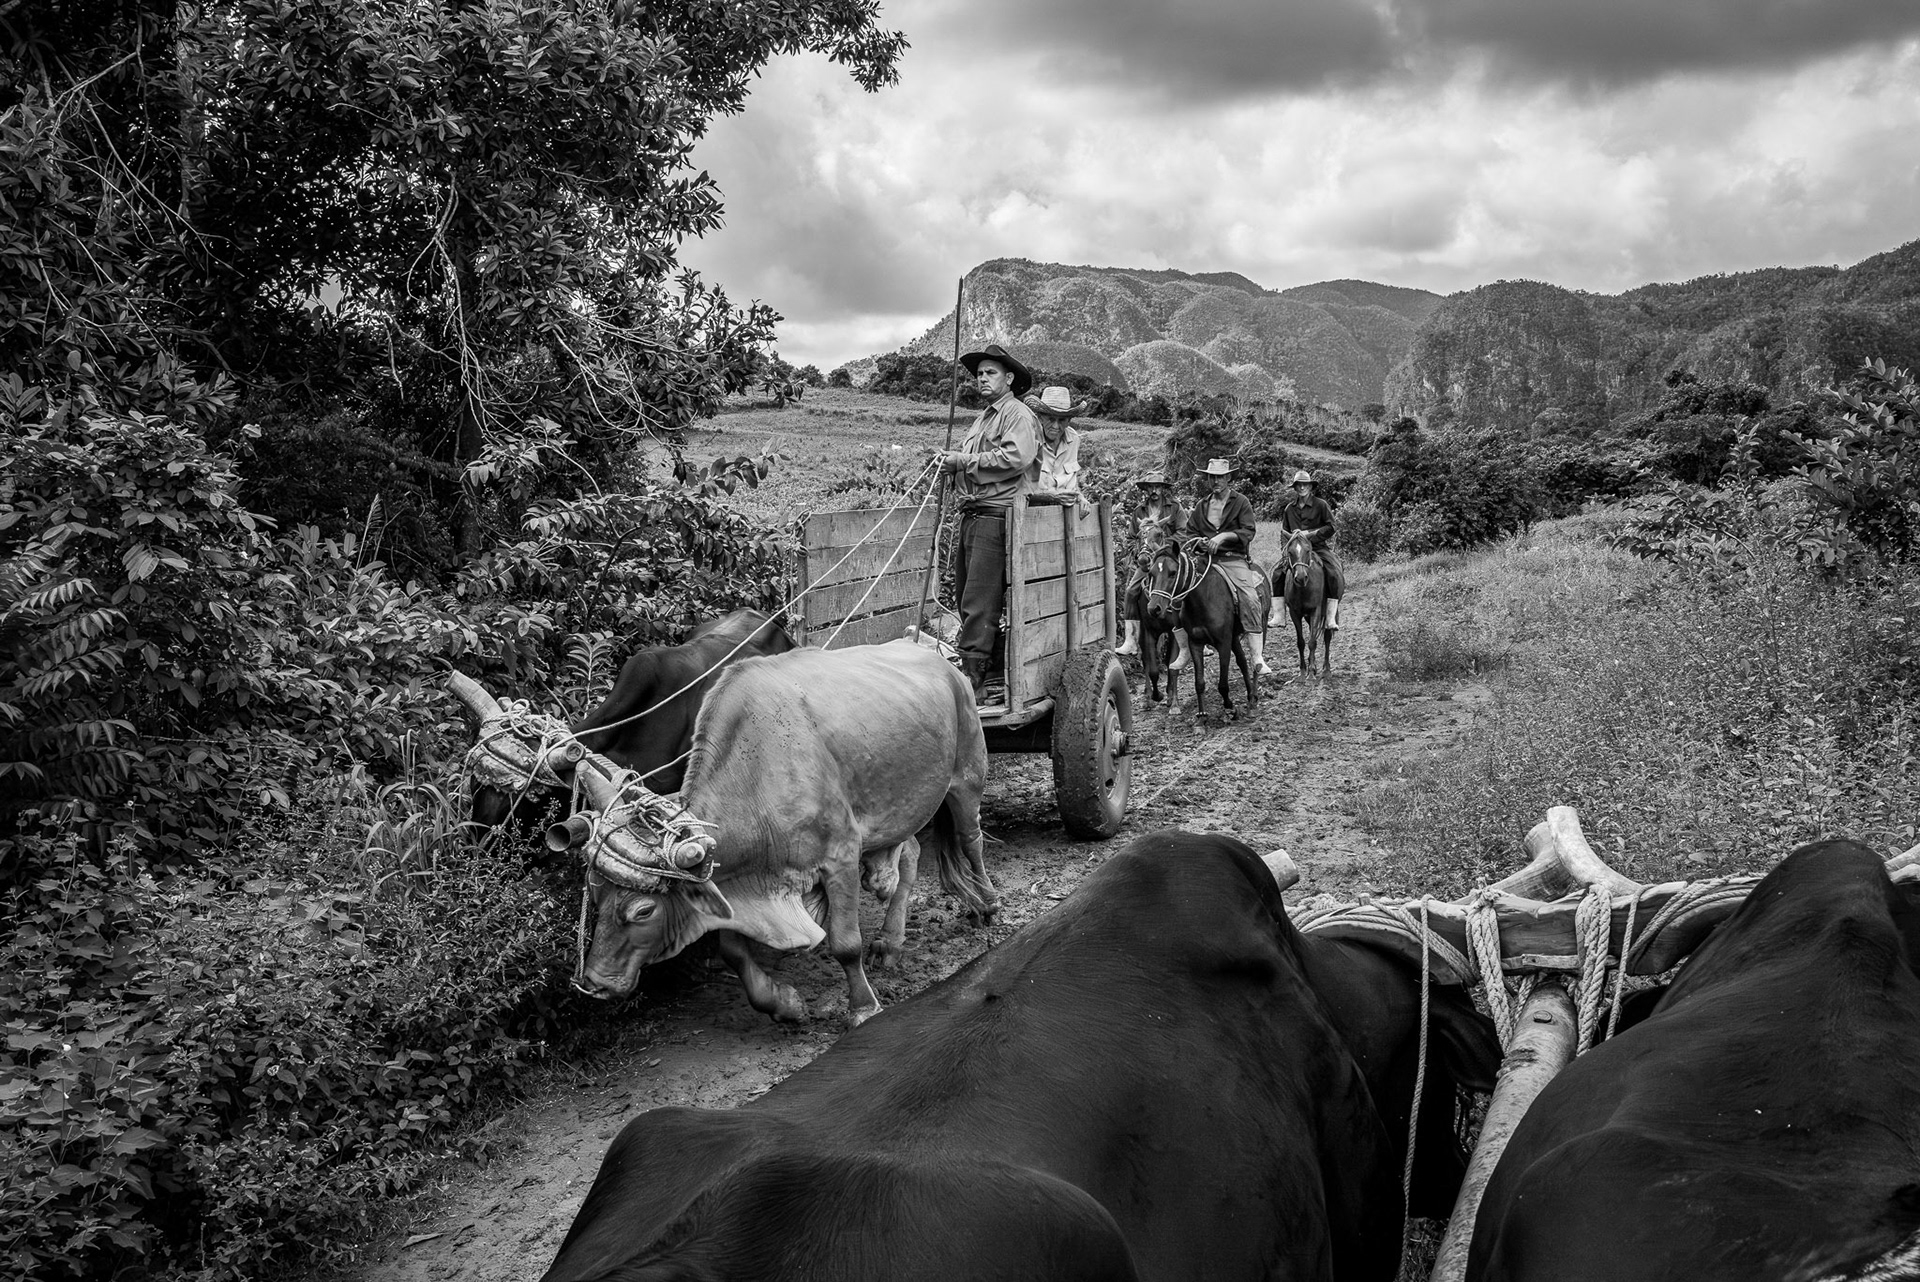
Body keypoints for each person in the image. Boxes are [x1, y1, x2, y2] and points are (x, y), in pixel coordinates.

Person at [935, 343, 1040, 698]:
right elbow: (972, 460)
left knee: (979, 598)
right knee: (967, 593)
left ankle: (976, 680)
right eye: (979, 374)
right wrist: (952, 464)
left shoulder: (1017, 414)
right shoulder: (984, 418)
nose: (982, 378)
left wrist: (963, 462)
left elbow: (1017, 457)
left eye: (990, 372)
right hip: (973, 513)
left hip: (997, 514)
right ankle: (984, 667)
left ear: (1008, 378)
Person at [1183, 457, 1271, 677]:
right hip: (1205, 561)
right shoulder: (1202, 505)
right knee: (1179, 592)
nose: (1216, 481)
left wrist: (1223, 537)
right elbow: (1190, 532)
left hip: (1233, 559)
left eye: (1220, 477)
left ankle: (1257, 657)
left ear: (1229, 477)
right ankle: (1185, 647)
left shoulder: (1241, 502)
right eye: (1212, 477)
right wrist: (1200, 542)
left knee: (1250, 597)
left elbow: (1248, 531)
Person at [1114, 472, 1189, 668]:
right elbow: (1131, 538)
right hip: (1148, 561)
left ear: (1163, 488)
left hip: (1171, 558)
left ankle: (1196, 635)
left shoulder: (1174, 508)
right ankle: (1130, 639)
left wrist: (1165, 547)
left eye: (1158, 487)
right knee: (1131, 591)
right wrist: (1141, 551)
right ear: (1146, 489)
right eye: (1150, 487)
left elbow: (1183, 532)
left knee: (1190, 589)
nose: (1154, 491)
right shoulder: (1139, 511)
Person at [1274, 469, 1344, 631]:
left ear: (1310, 486)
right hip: (1296, 551)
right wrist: (1286, 553)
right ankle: (1279, 615)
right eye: (1298, 485)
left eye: (1305, 485)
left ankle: (1331, 616)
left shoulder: (1321, 505)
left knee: (1333, 572)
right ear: (1295, 487)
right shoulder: (1289, 509)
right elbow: (1284, 533)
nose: (1302, 488)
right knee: (1277, 574)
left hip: (1318, 548)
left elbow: (1331, 527)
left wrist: (1310, 534)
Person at [1022, 386, 1088, 502]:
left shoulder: (1073, 439)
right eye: (1051, 419)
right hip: (1035, 514)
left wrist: (1080, 497)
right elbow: (1019, 490)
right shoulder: (1029, 440)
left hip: (1067, 515)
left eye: (1061, 420)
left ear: (1069, 421)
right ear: (1040, 418)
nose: (1056, 426)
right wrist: (1051, 497)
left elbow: (1073, 482)